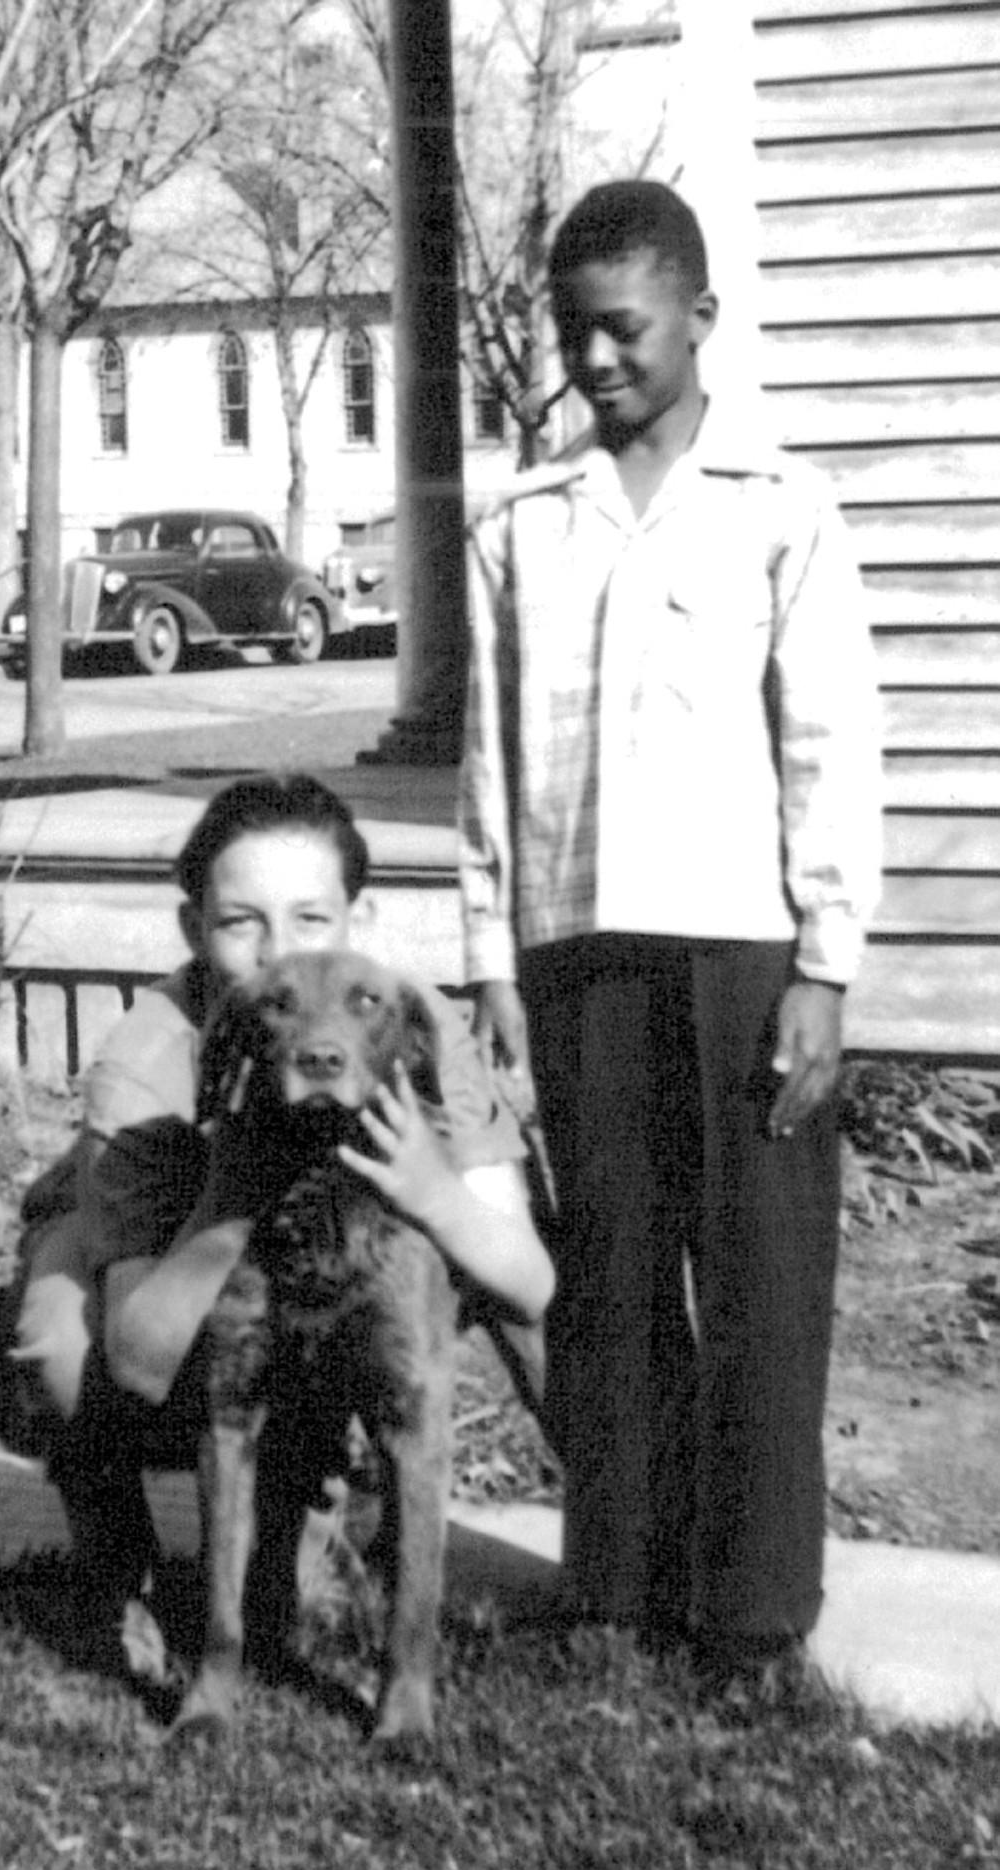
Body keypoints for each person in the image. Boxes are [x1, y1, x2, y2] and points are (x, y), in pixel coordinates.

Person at [458, 180, 881, 1691]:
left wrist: (825, 964)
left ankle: (755, 1617)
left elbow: (831, 739)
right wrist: (493, 962)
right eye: (572, 328)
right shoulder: (525, 523)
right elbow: (491, 764)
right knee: (613, 1285)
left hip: (745, 959)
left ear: (700, 319)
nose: (595, 355)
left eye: (623, 326)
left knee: (762, 1287)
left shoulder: (782, 505)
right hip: (580, 957)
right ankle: (615, 1588)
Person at [13, 772, 554, 1604]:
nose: (279, 953)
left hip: (332, 1279)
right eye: (240, 923)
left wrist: (432, 1191)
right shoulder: (148, 1060)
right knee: (62, 1341)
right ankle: (121, 1567)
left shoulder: (414, 1024)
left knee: (551, 1285)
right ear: (194, 929)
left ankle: (636, 1556)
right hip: (182, 1282)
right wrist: (232, 1196)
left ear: (358, 920)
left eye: (310, 917)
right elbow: (139, 1359)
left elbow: (527, 1284)